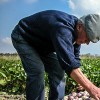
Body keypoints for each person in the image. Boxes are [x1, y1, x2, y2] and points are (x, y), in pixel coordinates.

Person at [11, 10, 100, 100]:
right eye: (88, 38)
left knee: (58, 70)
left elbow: (74, 59)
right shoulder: (63, 29)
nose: (87, 43)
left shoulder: (77, 34)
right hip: (24, 37)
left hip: (42, 44)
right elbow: (69, 63)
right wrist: (91, 88)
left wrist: (82, 80)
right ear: (80, 27)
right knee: (37, 71)